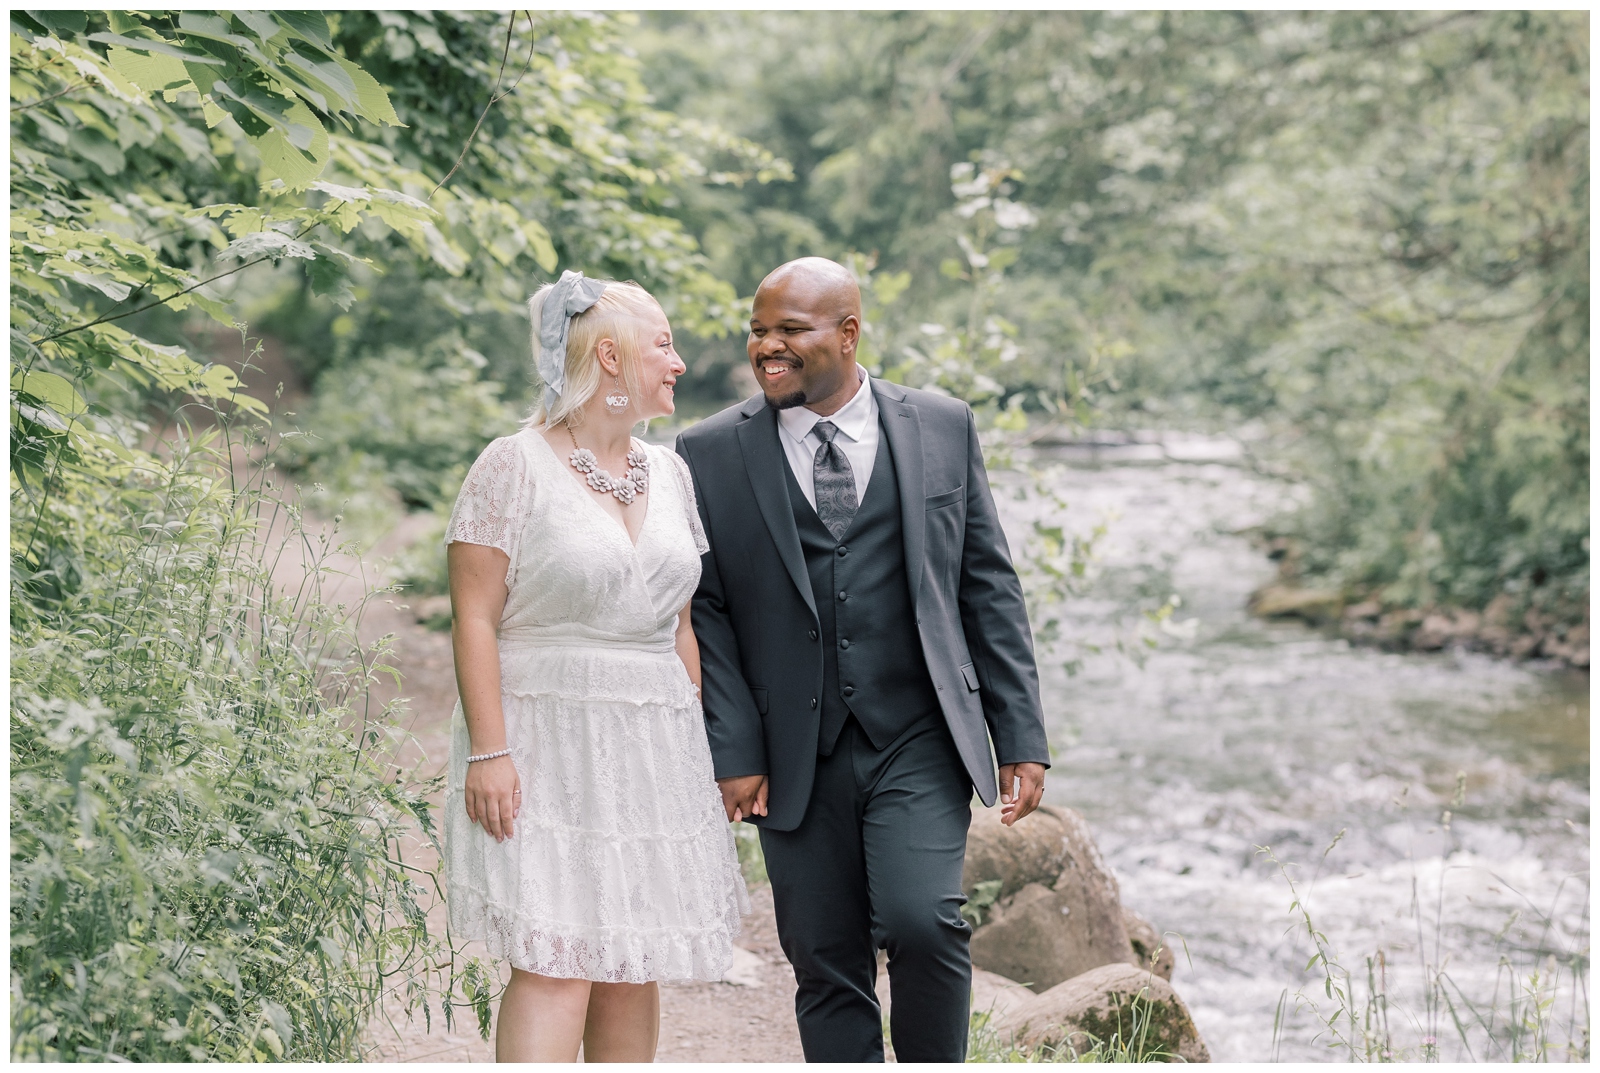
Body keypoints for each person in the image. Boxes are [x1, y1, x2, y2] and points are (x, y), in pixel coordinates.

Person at [675, 256, 1050, 1062]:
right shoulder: (706, 452)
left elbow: (988, 581)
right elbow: (707, 612)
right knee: (822, 956)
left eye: (790, 330)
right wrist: (733, 748)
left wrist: (1019, 732)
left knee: (924, 921)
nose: (766, 347)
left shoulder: (942, 425)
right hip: (787, 748)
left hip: (917, 732)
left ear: (848, 333)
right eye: (757, 330)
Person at [443, 271, 746, 1062]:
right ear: (609, 357)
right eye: (664, 344)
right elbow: (473, 615)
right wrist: (489, 749)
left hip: (653, 744)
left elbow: (680, 623)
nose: (678, 362)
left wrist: (704, 753)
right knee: (557, 960)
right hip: (545, 734)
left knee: (630, 957)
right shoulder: (512, 465)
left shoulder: (671, 472)